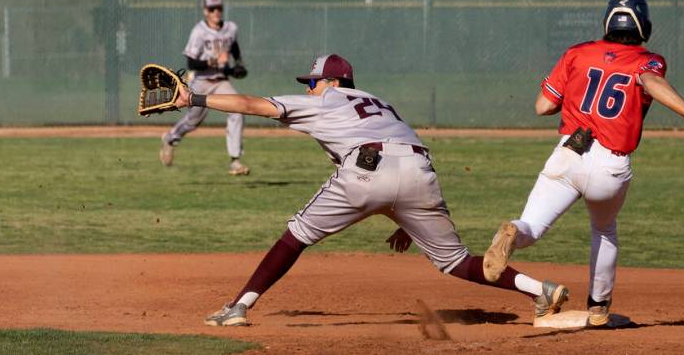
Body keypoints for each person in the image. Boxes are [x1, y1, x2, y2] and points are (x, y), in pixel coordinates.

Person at [172, 54, 569, 327]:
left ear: (331, 81)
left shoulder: (327, 99)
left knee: (296, 235)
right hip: (419, 171)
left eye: (311, 81)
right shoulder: (380, 102)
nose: (310, 88)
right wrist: (407, 216)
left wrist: (195, 98)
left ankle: (239, 307)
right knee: (457, 262)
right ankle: (541, 289)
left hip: (366, 169)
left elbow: (255, 105)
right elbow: (406, 154)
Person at [482, 0, 684, 328]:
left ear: (607, 22)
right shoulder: (647, 60)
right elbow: (650, 80)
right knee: (604, 230)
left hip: (568, 155)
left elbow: (542, 106)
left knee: (533, 226)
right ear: (645, 26)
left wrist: (574, 95)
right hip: (610, 166)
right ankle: (598, 309)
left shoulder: (577, 53)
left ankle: (515, 232)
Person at [160, 0, 250, 176]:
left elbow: (233, 46)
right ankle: (170, 138)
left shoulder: (231, 28)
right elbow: (191, 63)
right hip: (201, 82)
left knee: (237, 110)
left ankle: (235, 161)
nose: (216, 12)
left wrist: (238, 65)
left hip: (220, 81)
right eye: (212, 9)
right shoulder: (199, 32)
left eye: (219, 8)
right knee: (193, 121)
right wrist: (216, 61)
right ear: (205, 11)